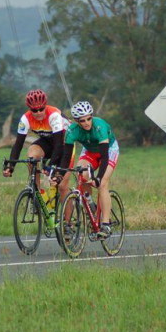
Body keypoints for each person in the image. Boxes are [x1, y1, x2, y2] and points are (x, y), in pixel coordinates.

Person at [56, 101, 118, 238]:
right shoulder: (72, 131)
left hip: (108, 150)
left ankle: (106, 224)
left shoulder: (99, 126)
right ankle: (91, 205)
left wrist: (98, 177)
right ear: (76, 121)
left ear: (92, 116)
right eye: (82, 120)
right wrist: (59, 174)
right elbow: (66, 157)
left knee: (102, 184)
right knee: (81, 175)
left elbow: (104, 157)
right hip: (89, 151)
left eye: (89, 118)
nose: (86, 123)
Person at [3, 89, 71, 200]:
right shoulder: (25, 119)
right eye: (34, 110)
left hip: (64, 145)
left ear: (45, 106)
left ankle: (68, 211)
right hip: (48, 142)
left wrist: (50, 166)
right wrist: (11, 167)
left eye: (41, 109)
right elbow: (18, 144)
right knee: (31, 157)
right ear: (30, 109)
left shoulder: (54, 115)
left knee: (62, 187)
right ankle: (38, 194)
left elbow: (58, 145)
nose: (38, 112)